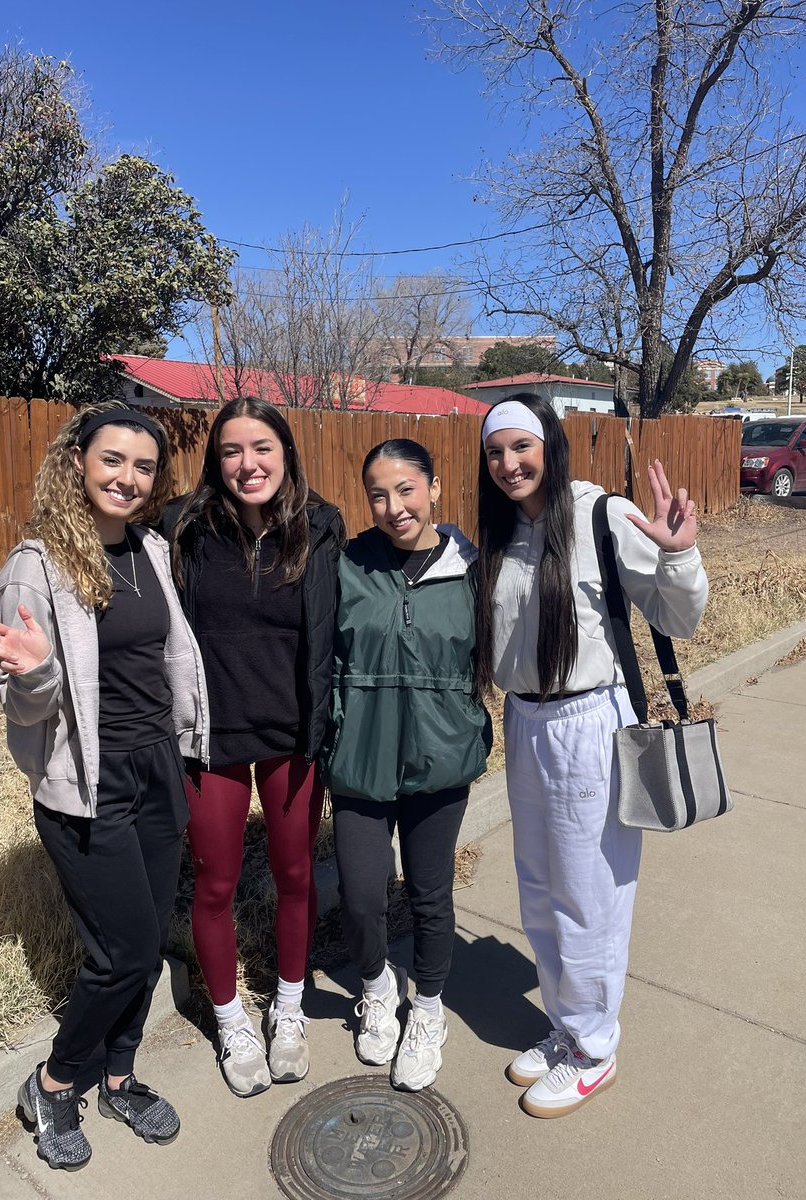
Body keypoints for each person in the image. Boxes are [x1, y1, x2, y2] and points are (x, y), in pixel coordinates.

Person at [0, 402, 209, 1172]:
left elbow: (169, 658)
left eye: (143, 466)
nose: (128, 478)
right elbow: (21, 709)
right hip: (86, 781)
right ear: (78, 463)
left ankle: (120, 1075)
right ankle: (53, 1081)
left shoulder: (151, 549)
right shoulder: (35, 566)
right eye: (113, 460)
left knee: (148, 938)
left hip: (158, 765)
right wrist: (34, 672)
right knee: (125, 950)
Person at [476, 394, 708, 1119]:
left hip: (587, 724)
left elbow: (678, 618)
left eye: (521, 446)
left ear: (550, 442)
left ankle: (595, 1050)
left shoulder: (600, 515)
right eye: (495, 452)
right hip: (525, 721)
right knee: (539, 888)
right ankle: (568, 1025)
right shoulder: (500, 531)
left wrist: (677, 554)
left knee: (590, 895)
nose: (509, 464)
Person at [165, 396, 343, 1098]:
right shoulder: (182, 528)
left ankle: (289, 1009)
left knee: (295, 873)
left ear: (286, 453)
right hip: (212, 738)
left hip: (292, 736)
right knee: (216, 883)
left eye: (262, 447)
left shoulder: (320, 527)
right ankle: (231, 1020)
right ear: (216, 461)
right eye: (232, 450)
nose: (248, 464)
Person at [325, 438, 491, 1092]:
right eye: (378, 495)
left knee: (430, 894)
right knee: (363, 895)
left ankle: (428, 1008)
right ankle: (375, 987)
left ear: (434, 489)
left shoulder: (471, 569)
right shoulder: (347, 565)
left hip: (440, 756)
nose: (394, 507)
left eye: (406, 490)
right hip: (360, 756)